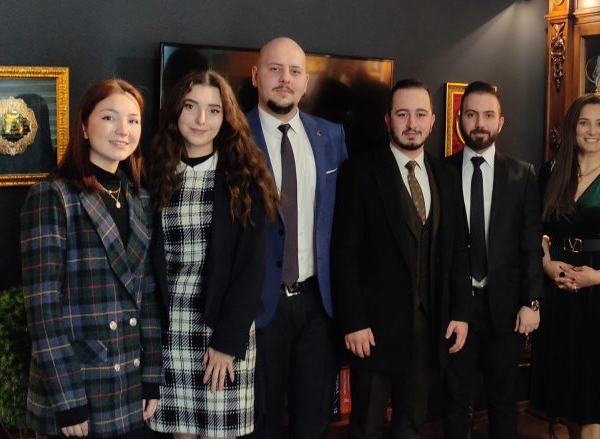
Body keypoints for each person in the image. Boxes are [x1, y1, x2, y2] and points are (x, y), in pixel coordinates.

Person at [20, 79, 161, 438]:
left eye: (133, 120)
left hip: (129, 385)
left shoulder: (140, 198)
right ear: (84, 126)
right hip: (79, 385)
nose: (123, 130)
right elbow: (42, 307)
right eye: (109, 117)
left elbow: (146, 295)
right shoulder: (53, 196)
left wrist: (151, 377)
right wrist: (68, 400)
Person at [331, 79, 471, 438]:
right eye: (403, 114)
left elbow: (457, 251)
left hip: (429, 328)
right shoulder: (359, 172)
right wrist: (354, 321)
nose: (412, 124)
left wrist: (460, 312)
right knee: (366, 427)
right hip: (372, 331)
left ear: (433, 120)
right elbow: (344, 254)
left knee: (411, 425)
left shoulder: (446, 176)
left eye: (420, 115)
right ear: (388, 120)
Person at [146, 70, 277, 439]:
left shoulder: (244, 179)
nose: (201, 119)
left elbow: (252, 271)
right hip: (171, 330)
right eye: (191, 107)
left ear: (226, 117)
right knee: (181, 432)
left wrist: (226, 342)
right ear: (176, 111)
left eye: (214, 110)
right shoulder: (155, 175)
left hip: (223, 329)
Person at [244, 37, 348, 439]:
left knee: (313, 423)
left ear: (306, 82)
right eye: (275, 69)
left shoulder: (331, 136)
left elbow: (342, 221)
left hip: (318, 306)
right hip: (258, 306)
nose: (285, 79)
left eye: (294, 71)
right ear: (256, 76)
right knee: (260, 424)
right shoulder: (233, 135)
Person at [531, 93, 600, 439]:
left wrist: (599, 276)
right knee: (562, 379)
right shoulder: (552, 171)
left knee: (595, 380)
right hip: (558, 283)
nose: (592, 131)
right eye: (584, 123)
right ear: (573, 128)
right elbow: (535, 228)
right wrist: (547, 265)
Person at [442, 81, 543, 439]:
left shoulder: (523, 174)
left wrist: (532, 302)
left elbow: (531, 245)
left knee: (503, 403)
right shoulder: (440, 172)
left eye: (488, 115)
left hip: (506, 309)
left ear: (501, 122)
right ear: (459, 120)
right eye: (471, 115)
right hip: (456, 308)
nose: (480, 123)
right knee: (456, 402)